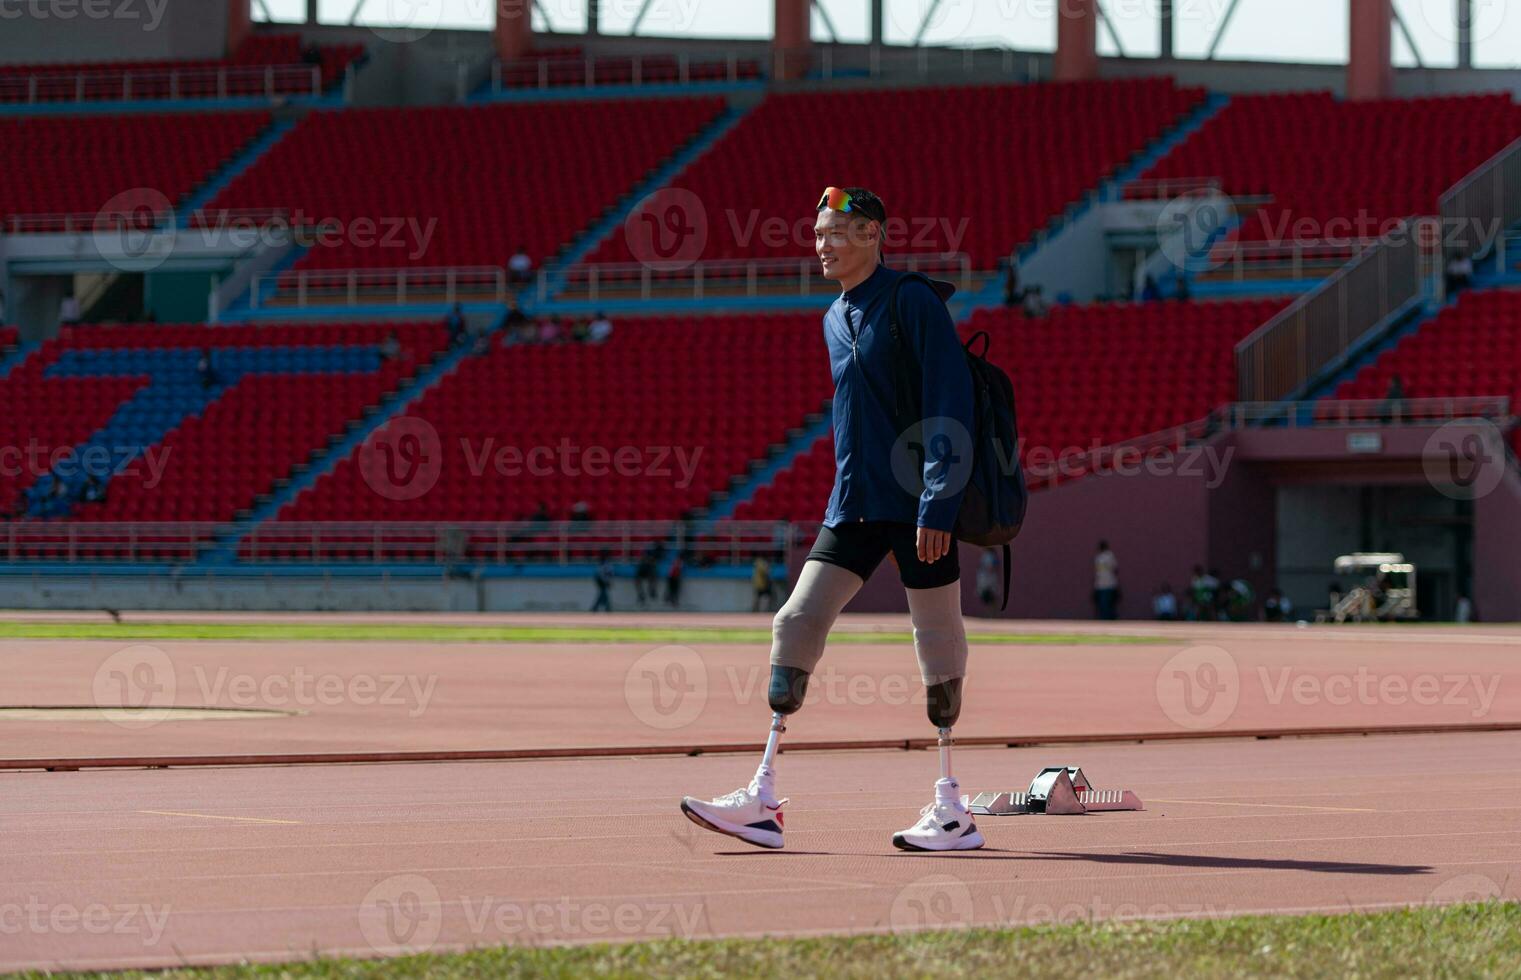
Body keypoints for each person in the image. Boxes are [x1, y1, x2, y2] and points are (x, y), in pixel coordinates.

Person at [682, 186, 981, 852]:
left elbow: (949, 397)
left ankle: (951, 808)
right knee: (794, 620)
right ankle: (762, 799)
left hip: (916, 503)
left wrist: (938, 498)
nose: (821, 245)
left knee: (935, 641)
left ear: (873, 234)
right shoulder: (832, 316)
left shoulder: (913, 302)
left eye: (836, 233)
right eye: (817, 234)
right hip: (854, 504)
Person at [1093, 540, 1119, 620]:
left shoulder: (1108, 556)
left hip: (1107, 584)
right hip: (1103, 584)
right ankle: (1105, 620)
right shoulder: (1100, 557)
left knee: (1107, 604)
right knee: (1104, 604)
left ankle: (1108, 620)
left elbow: (1115, 569)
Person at [975, 549, 1000, 614]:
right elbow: (990, 567)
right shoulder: (987, 556)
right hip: (987, 581)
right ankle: (990, 615)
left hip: (989, 581)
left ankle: (992, 615)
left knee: (992, 599)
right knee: (988, 599)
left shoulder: (989, 555)